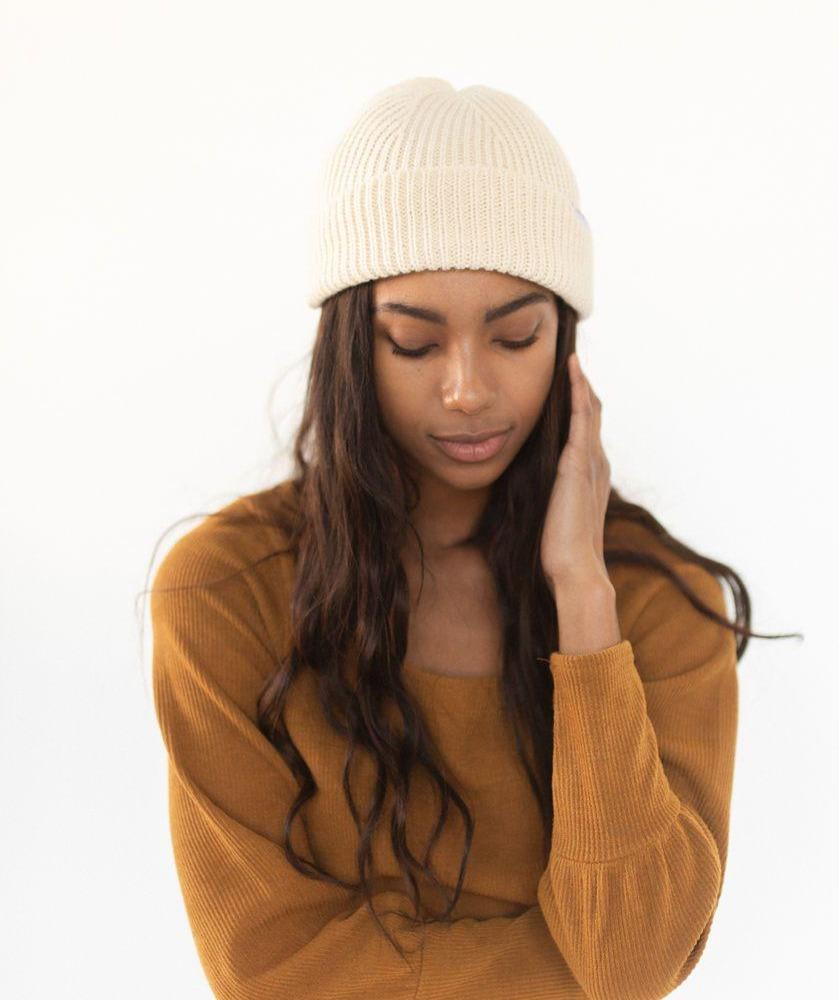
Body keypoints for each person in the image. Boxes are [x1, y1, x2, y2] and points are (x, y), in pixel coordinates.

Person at [148, 76, 760, 1000]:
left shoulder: (658, 606)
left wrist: (585, 605)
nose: (469, 387)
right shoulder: (225, 592)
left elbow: (632, 961)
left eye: (515, 336)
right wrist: (561, 972)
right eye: (415, 343)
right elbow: (273, 969)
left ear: (565, 339)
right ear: (351, 346)